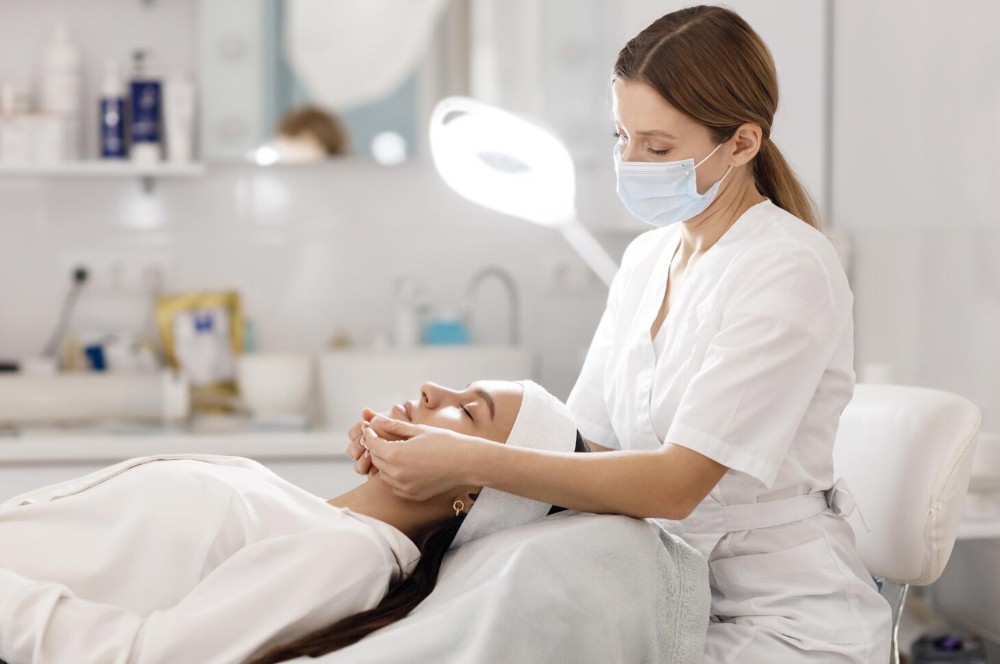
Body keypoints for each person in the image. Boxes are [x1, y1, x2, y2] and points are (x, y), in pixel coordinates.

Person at [353, 6, 892, 662]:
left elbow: (675, 485)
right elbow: (587, 453)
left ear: (744, 143)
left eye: (657, 147)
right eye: (621, 137)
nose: (630, 161)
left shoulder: (788, 266)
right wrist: (426, 452)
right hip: (659, 591)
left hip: (782, 620)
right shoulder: (648, 259)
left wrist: (465, 460)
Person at [0, 380, 580, 664]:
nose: (433, 389)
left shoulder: (350, 559)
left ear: (474, 489)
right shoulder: (310, 515)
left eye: (470, 408)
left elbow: (148, 659)